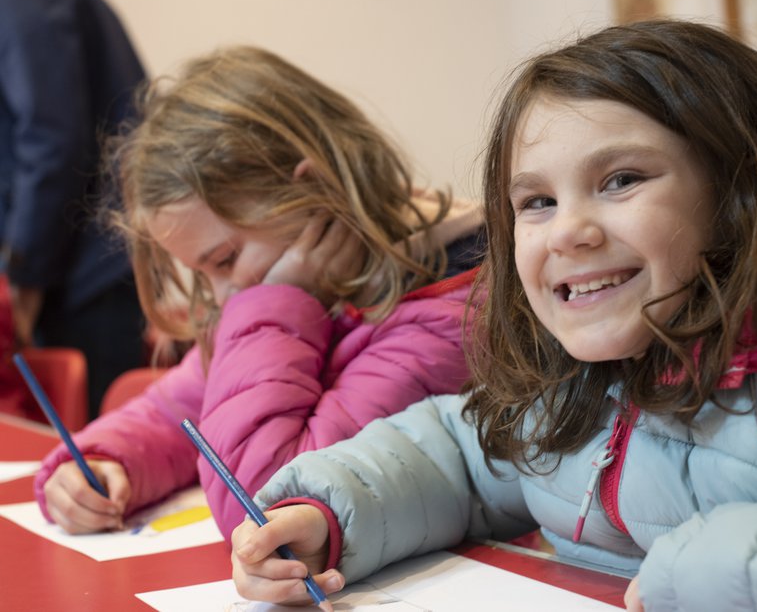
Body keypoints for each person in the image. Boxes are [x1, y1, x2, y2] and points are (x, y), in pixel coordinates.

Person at [229, 19, 757, 611]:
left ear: (741, 198)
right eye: (537, 201)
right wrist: (326, 513)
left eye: (619, 180)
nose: (568, 232)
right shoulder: (580, 386)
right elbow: (459, 454)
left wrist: (698, 569)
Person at [33, 44, 484, 540]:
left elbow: (264, 502)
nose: (221, 296)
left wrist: (276, 307)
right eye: (201, 274)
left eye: (225, 259)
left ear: (315, 192)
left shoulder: (448, 312)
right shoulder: (302, 298)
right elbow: (171, 414)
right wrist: (103, 463)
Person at [0, 0, 148, 419]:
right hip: (92, 263)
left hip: (77, 276)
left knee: (94, 448)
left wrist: (24, 278)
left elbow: (52, 143)